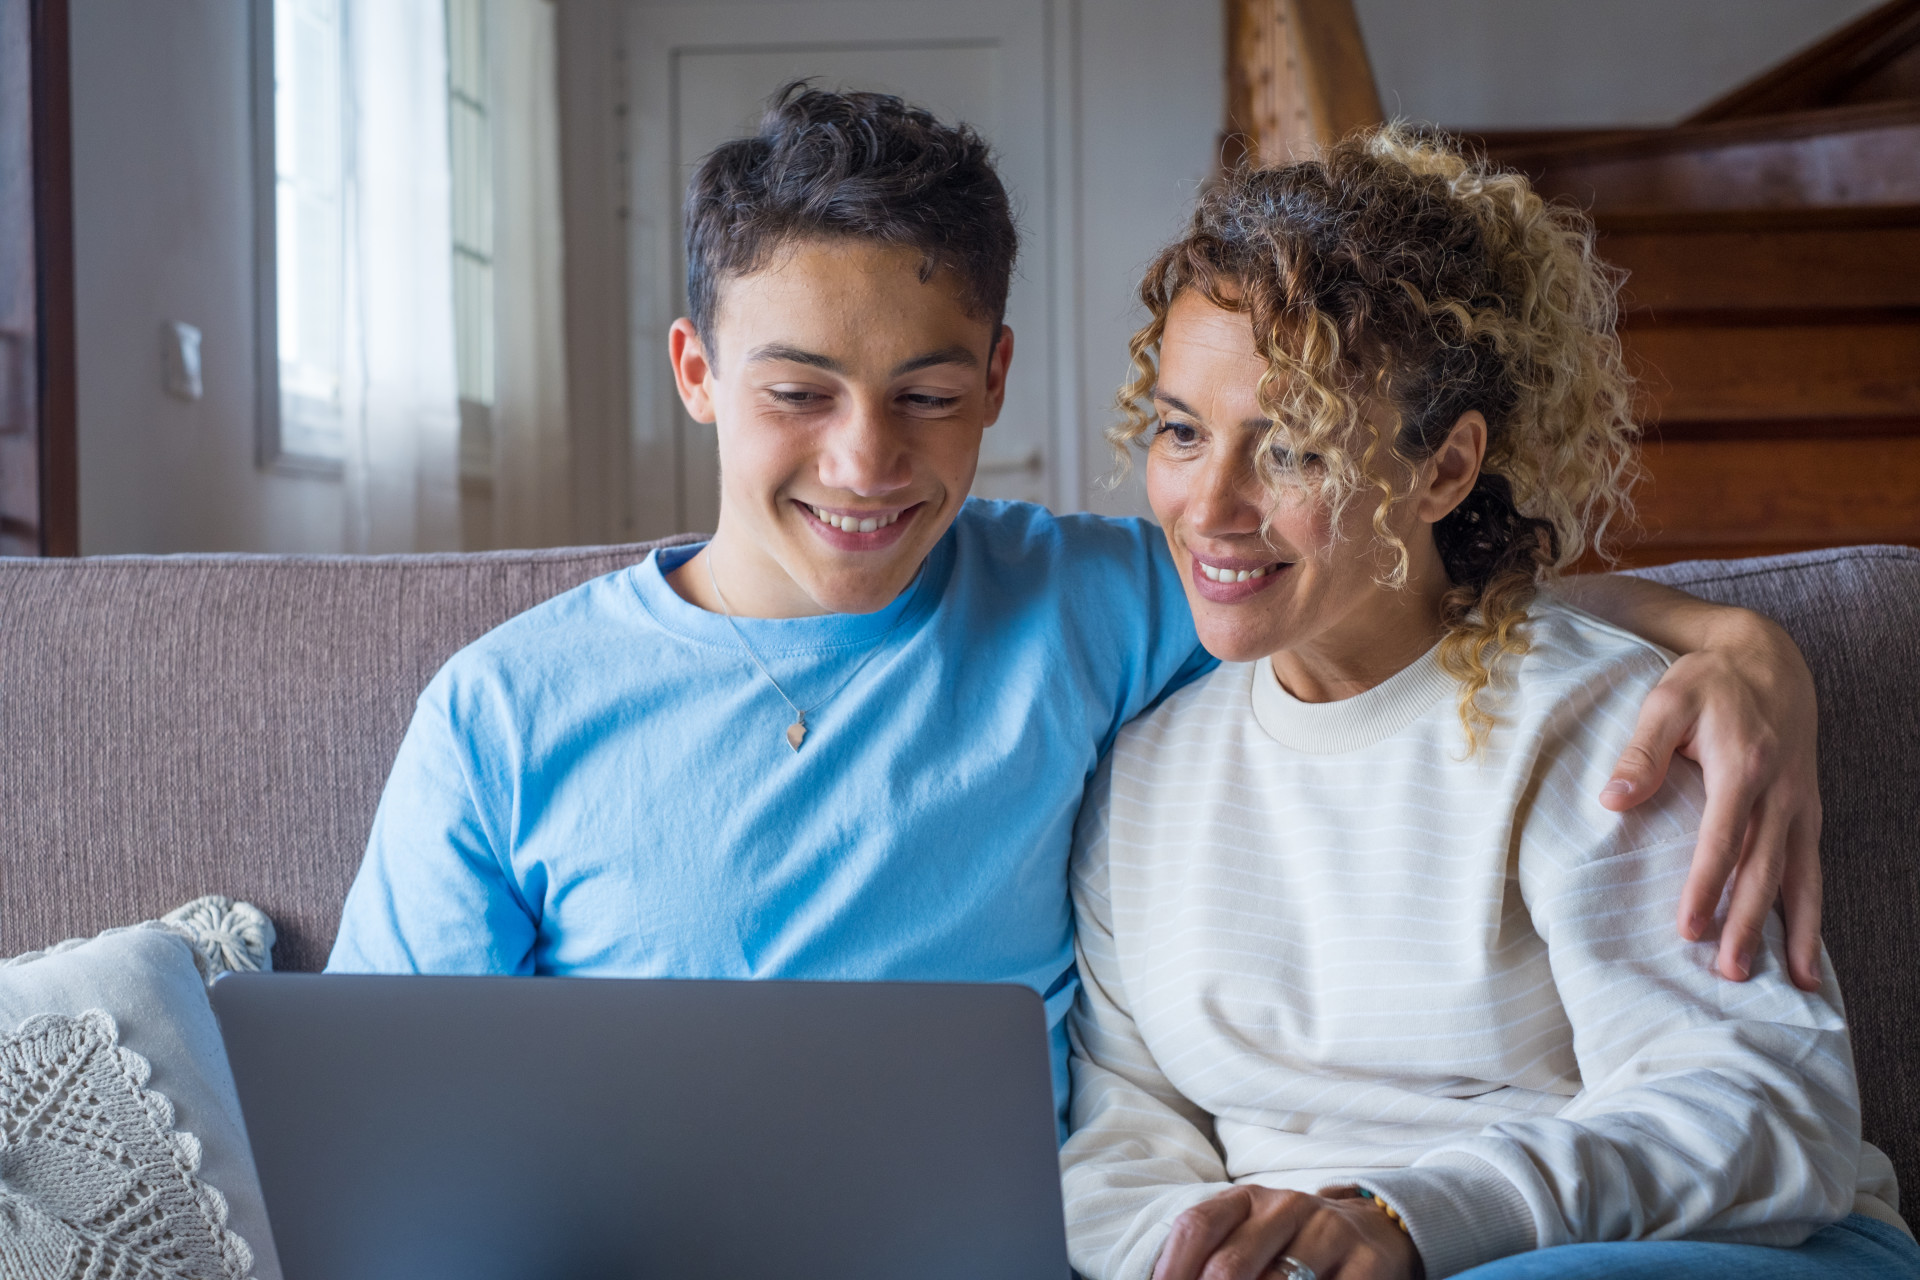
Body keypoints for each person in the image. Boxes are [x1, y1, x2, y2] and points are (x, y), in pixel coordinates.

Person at [328, 87, 1826, 1130]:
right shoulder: (502, 708)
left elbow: (1393, 587)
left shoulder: (1095, 601)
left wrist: (1740, 644)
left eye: (925, 396)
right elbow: (385, 1117)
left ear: (996, 381)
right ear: (696, 371)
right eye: (799, 394)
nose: (865, 464)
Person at [1059, 128, 1914, 1279]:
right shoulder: (1145, 775)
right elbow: (1122, 1135)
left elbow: (1764, 1112)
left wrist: (1401, 1219)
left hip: (1677, 1245)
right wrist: (1203, 1261)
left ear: (1445, 470)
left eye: (1294, 448)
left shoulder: (1600, 718)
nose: (1209, 507)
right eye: (1180, 430)